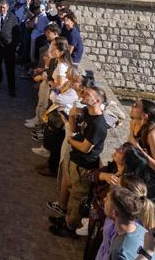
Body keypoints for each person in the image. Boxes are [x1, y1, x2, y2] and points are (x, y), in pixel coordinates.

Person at [51, 85, 109, 238]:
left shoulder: (98, 125)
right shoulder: (86, 113)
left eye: (87, 94)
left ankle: (70, 227)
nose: (83, 94)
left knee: (78, 197)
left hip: (84, 165)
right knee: (73, 192)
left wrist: (70, 140)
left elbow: (85, 148)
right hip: (76, 161)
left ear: (96, 101)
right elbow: (77, 130)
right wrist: (71, 116)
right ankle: (67, 219)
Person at [128, 99, 155, 202]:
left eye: (136, 106)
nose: (132, 106)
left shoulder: (152, 134)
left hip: (153, 180)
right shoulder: (134, 123)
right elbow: (130, 144)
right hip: (140, 173)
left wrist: (139, 149)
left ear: (145, 115)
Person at [0, 0, 18, 96]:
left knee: (10, 68)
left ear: (7, 8)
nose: (2, 9)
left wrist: (14, 46)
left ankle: (12, 88)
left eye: (4, 8)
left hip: (9, 48)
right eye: (0, 7)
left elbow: (16, 33)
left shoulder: (12, 17)